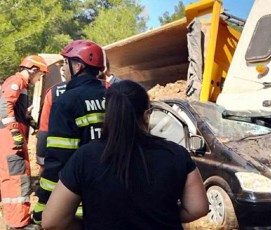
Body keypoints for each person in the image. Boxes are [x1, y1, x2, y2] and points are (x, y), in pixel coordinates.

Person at [41, 80, 208, 229]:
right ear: (146, 115)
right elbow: (198, 208)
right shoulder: (176, 154)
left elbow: (52, 221)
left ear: (108, 116)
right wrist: (165, 217)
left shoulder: (85, 157)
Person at [32, 40, 107, 224]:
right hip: (111, 192)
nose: (63, 69)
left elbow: (59, 157)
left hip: (78, 198)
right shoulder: (114, 95)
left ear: (78, 66)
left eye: (65, 63)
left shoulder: (67, 101)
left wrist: (44, 204)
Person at [0, 55, 48, 229]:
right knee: (16, 180)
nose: (39, 79)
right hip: (11, 141)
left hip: (12, 140)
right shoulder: (16, 81)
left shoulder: (22, 85)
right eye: (40, 75)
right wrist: (14, 130)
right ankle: (18, 224)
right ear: (34, 70)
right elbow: (4, 105)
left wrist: (27, 119)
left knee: (19, 178)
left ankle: (17, 221)